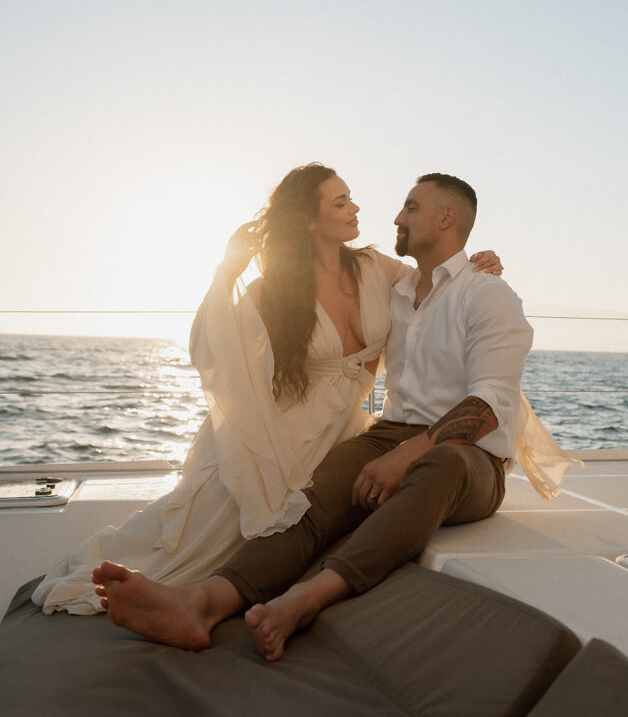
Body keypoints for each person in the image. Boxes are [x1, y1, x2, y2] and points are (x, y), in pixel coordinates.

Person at [90, 172, 577, 658]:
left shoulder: (487, 294)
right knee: (309, 498)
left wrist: (407, 455)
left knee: (439, 464)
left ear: (446, 218)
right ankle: (202, 602)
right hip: (388, 435)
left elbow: (491, 404)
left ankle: (306, 599)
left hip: (466, 458)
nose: (395, 217)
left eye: (410, 208)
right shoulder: (402, 291)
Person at [33, 164, 503, 615]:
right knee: (217, 525)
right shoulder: (278, 289)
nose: (356, 208)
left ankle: (225, 598)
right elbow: (214, 345)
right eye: (341, 203)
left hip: (346, 428)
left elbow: (437, 284)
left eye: (351, 198)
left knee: (305, 512)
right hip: (290, 423)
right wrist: (229, 272)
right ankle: (161, 589)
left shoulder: (377, 269)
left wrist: (481, 261)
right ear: (308, 218)